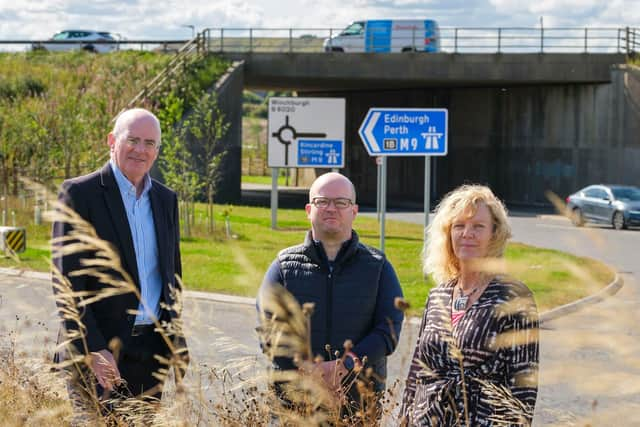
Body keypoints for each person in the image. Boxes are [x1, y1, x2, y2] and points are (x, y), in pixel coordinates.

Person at [52, 108, 187, 415]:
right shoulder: (80, 194)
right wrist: (95, 348)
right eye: (133, 140)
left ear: (157, 151)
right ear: (112, 140)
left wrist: (172, 340)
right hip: (98, 352)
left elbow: (172, 276)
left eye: (150, 143)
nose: (141, 150)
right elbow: (67, 284)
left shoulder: (166, 200)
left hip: (150, 353)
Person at [257, 172, 404, 414]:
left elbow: (388, 331)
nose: (331, 208)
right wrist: (310, 374)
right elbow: (269, 330)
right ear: (308, 210)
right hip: (295, 402)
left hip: (358, 404)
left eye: (341, 202)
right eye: (322, 201)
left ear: (354, 211)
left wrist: (343, 366)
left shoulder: (378, 267)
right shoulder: (284, 267)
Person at [401, 184, 539, 426]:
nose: (467, 233)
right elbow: (417, 371)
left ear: (494, 234)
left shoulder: (514, 296)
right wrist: (404, 418)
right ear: (448, 234)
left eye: (478, 226)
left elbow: (524, 388)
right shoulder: (438, 295)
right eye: (459, 226)